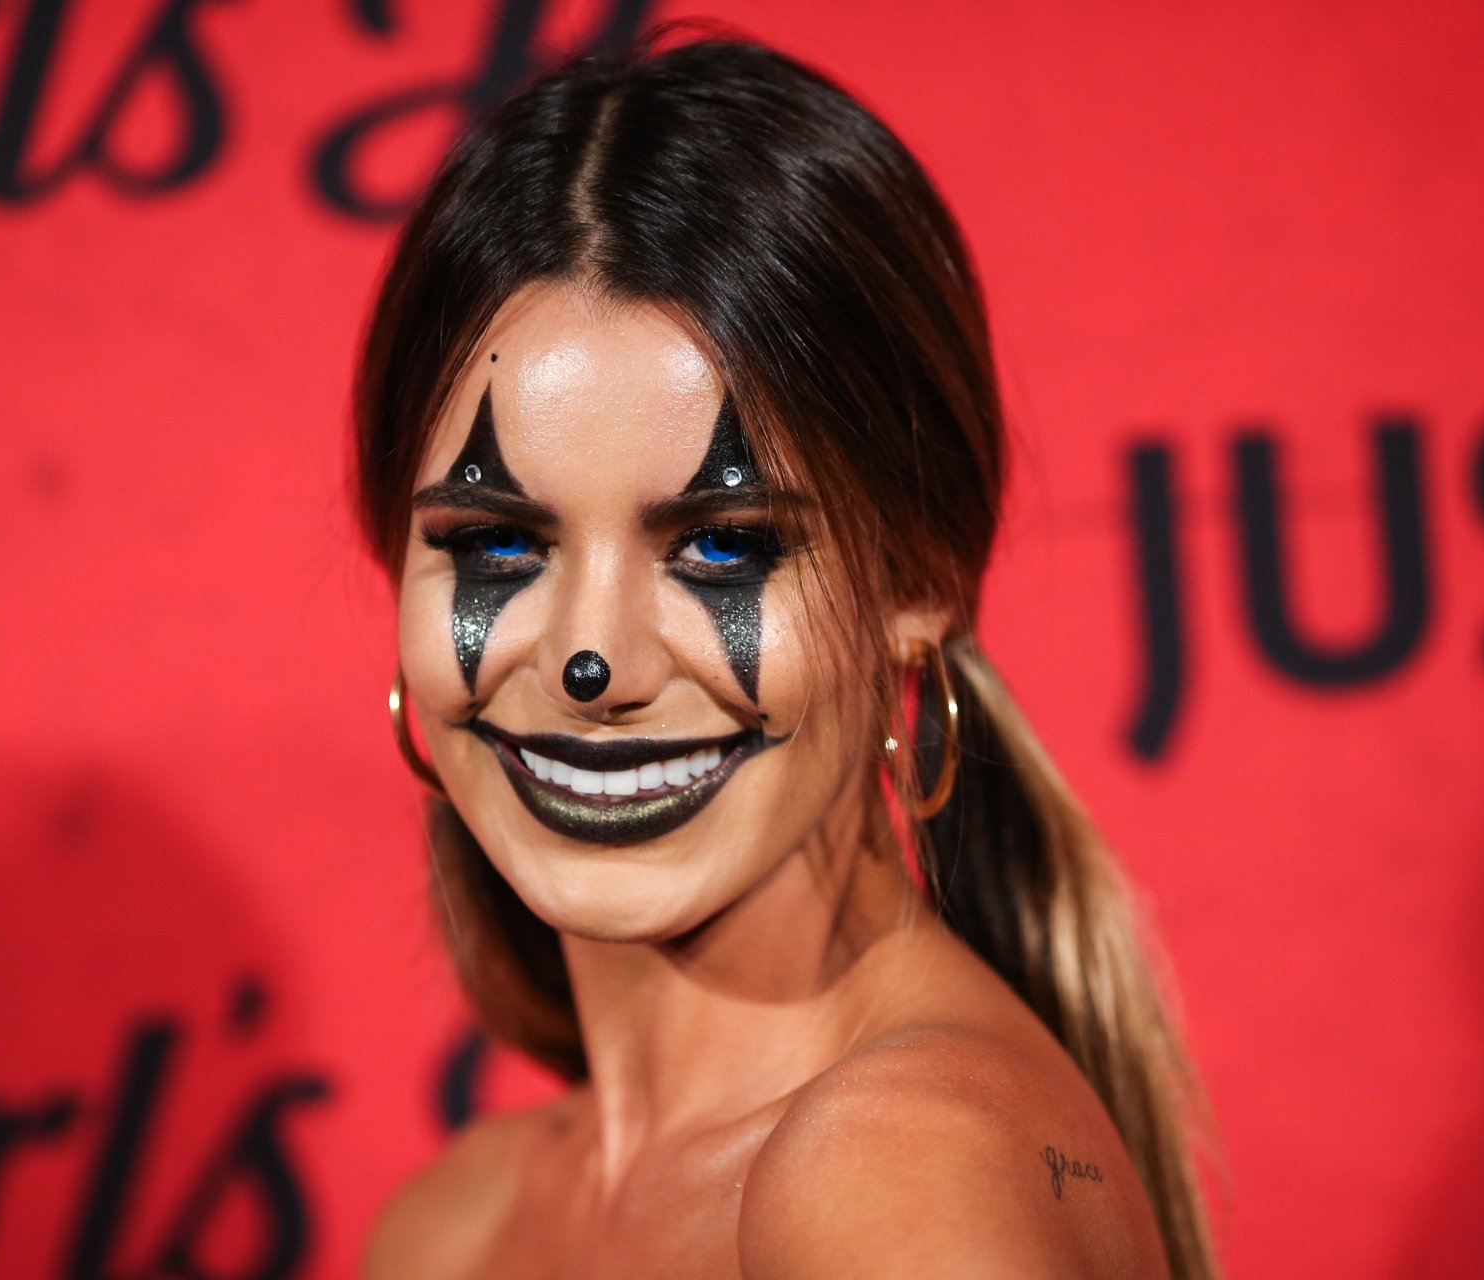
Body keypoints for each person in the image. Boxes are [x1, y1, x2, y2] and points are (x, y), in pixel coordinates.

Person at [353, 27, 1221, 1280]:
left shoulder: (896, 1169)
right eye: (496, 542)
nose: (593, 657)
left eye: (722, 544)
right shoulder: (453, 1224)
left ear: (919, 577)